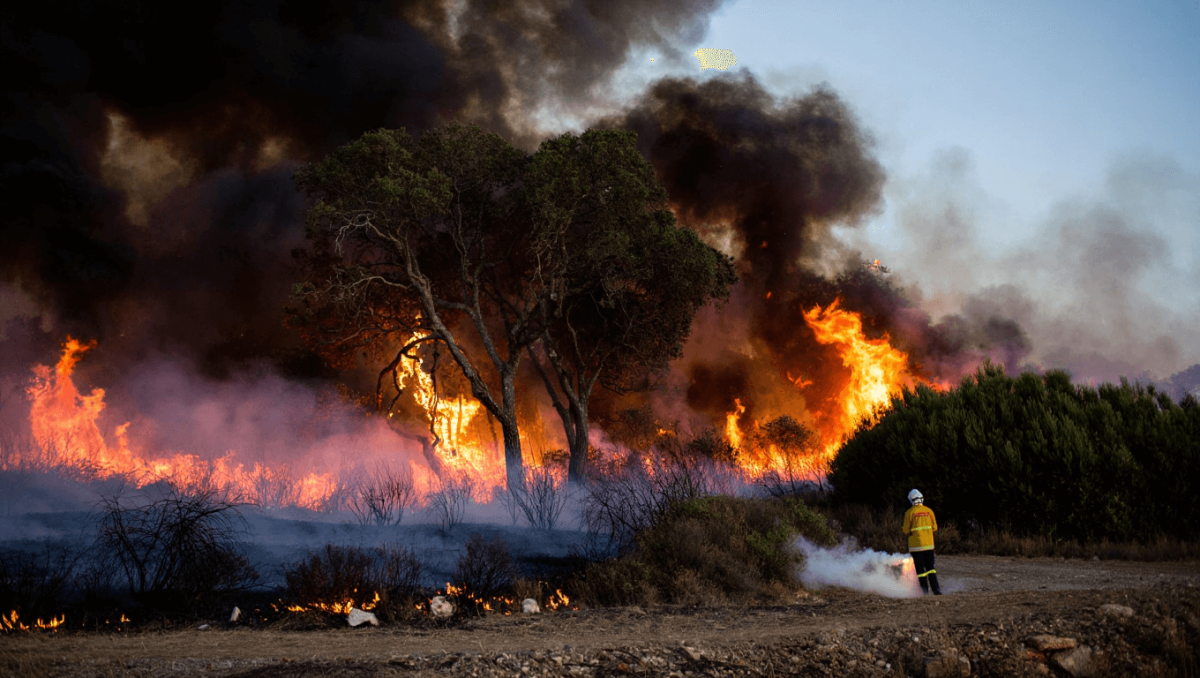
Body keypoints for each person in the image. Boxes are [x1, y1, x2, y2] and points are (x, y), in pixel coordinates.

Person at [903, 488, 942, 595]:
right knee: (931, 568)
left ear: (911, 500)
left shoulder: (909, 513)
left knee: (920, 570)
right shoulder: (929, 511)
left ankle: (924, 591)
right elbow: (935, 528)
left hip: (916, 547)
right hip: (929, 545)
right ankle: (936, 590)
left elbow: (905, 531)